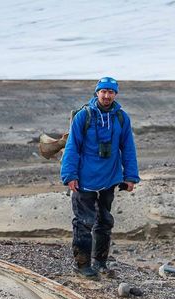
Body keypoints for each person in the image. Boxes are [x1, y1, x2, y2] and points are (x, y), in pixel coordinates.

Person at [61, 76, 140, 279]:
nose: (106, 95)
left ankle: (100, 263)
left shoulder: (121, 118)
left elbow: (128, 148)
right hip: (84, 181)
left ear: (115, 94)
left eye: (110, 92)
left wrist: (130, 176)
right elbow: (72, 147)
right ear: (97, 93)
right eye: (103, 91)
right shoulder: (83, 116)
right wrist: (70, 175)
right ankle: (82, 265)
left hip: (109, 179)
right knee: (83, 222)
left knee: (105, 221)